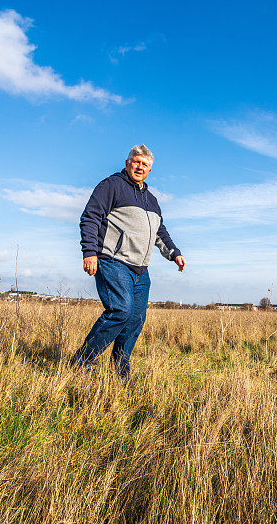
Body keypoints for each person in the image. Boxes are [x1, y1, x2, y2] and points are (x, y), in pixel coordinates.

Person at [72, 144, 185, 379]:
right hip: (113, 261)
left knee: (135, 319)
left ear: (150, 170)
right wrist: (89, 252)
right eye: (136, 162)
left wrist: (174, 253)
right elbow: (90, 217)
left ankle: (119, 372)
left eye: (145, 165)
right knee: (121, 310)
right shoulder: (111, 185)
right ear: (127, 163)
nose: (139, 167)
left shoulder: (152, 200)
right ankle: (81, 361)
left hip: (141, 270)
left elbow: (159, 232)